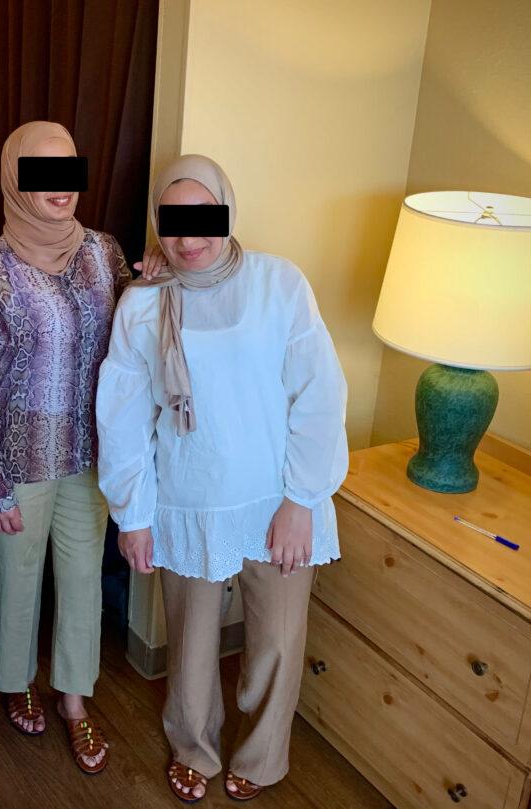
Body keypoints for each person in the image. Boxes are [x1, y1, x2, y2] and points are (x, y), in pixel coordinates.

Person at [96, 154, 348, 802]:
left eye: (203, 218)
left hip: (278, 502)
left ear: (226, 212)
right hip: (187, 499)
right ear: (159, 224)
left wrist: (301, 501)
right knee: (192, 644)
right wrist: (135, 513)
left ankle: (262, 755)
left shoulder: (279, 283)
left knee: (276, 640)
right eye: (174, 222)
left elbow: (319, 394)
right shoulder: (144, 303)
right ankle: (194, 746)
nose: (190, 238)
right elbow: (122, 413)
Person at [0, 121, 128, 774]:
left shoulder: (102, 253)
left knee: (84, 581)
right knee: (18, 579)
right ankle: (16, 680)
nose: (59, 189)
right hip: (19, 459)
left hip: (88, 456)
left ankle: (76, 700)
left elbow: (134, 329)